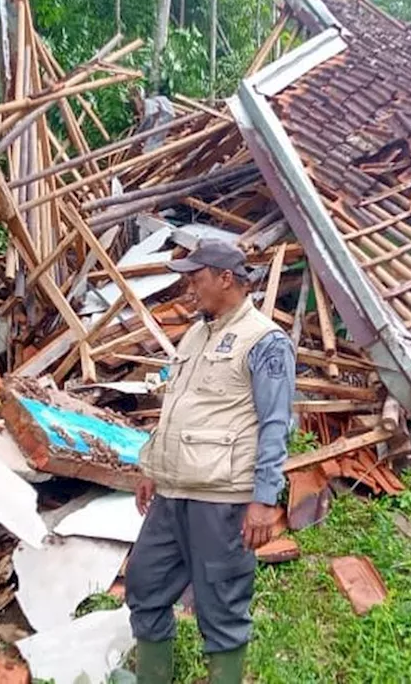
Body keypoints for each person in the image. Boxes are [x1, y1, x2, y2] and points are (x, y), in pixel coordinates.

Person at [126, 239, 294, 683]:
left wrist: (264, 498)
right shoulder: (198, 333)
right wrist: (152, 468)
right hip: (173, 492)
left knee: (221, 607)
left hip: (222, 500)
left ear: (226, 279)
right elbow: (179, 406)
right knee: (144, 585)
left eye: (196, 278)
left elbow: (275, 424)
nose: (189, 289)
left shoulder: (265, 342)